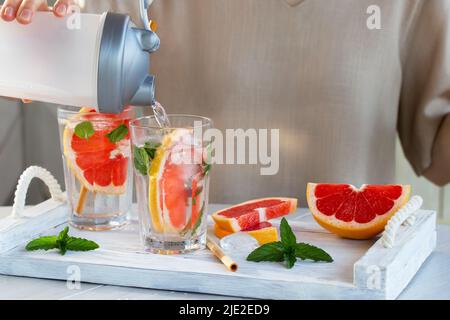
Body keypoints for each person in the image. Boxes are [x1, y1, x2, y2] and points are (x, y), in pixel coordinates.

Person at [1, 0, 449, 205]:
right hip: (175, 282)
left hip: (355, 283)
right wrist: (37, 18)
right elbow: (37, 48)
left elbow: (441, 161)